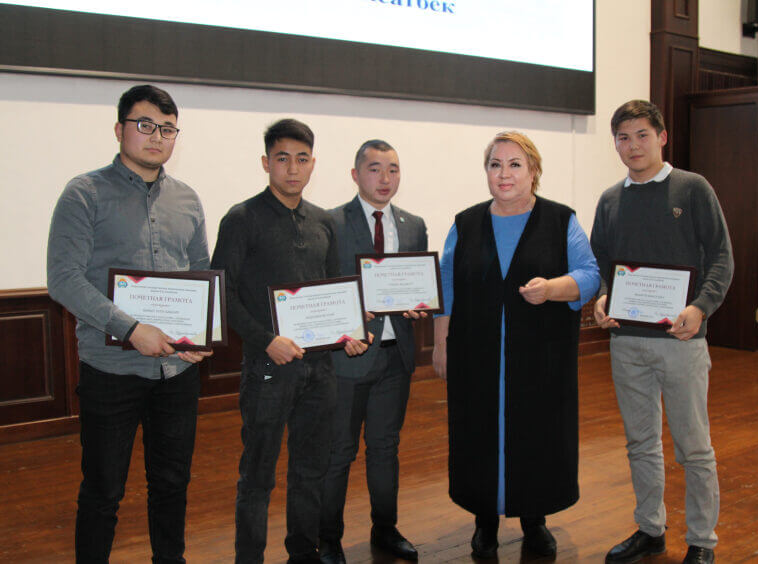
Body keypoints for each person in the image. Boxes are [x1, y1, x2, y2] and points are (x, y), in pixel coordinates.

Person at [46, 84, 212, 563]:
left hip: (177, 370)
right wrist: (131, 329)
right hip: (110, 369)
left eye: (167, 129)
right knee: (103, 490)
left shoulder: (187, 198)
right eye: (145, 125)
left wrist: (201, 334)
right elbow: (63, 279)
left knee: (172, 483)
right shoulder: (84, 194)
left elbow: (200, 272)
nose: (156, 136)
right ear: (119, 130)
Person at [432, 131, 599, 558]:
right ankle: (484, 521)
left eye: (514, 164)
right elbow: (445, 285)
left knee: (537, 435)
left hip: (540, 358)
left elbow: (589, 275)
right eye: (495, 164)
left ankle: (534, 519)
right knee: (477, 435)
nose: (504, 174)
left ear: (533, 171)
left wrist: (554, 288)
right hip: (476, 356)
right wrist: (440, 344)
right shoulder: (465, 223)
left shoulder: (561, 220)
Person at [210, 119, 369, 563]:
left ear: (313, 164)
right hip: (268, 368)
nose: (293, 169)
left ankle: (303, 553)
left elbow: (332, 289)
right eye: (283, 159)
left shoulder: (323, 221)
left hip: (319, 371)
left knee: (310, 470)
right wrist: (266, 341)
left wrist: (348, 332)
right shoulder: (242, 219)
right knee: (257, 475)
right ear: (266, 163)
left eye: (302, 159)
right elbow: (223, 293)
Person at [591, 100, 733, 564]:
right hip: (626, 342)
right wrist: (603, 297)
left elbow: (721, 257)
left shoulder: (693, 189)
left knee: (694, 447)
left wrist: (700, 307)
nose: (633, 146)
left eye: (642, 135)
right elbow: (601, 262)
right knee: (640, 443)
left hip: (681, 342)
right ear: (615, 143)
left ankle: (702, 540)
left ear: (662, 137)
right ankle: (650, 529)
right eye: (623, 138)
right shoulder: (610, 200)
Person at [318, 140, 428, 563]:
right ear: (355, 174)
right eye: (375, 169)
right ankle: (328, 538)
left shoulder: (413, 224)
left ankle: (385, 528)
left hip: (396, 357)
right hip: (347, 357)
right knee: (339, 452)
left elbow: (416, 283)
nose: (385, 178)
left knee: (385, 448)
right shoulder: (330, 222)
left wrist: (420, 304)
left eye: (393, 169)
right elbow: (322, 287)